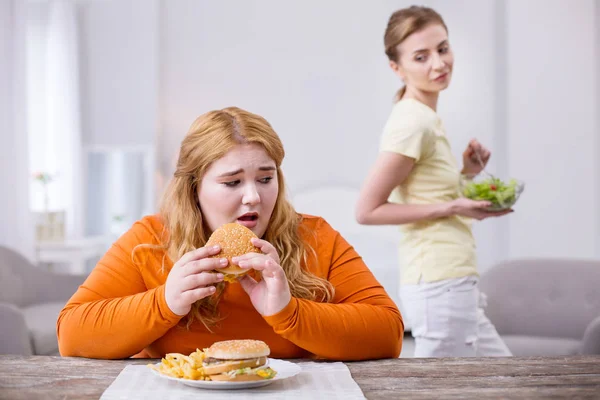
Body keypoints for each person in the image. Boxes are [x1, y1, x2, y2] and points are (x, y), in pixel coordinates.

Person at [57, 107, 404, 360]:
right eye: (232, 182)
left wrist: (288, 312)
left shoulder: (314, 236)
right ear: (194, 188)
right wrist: (165, 302)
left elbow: (388, 333)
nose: (253, 196)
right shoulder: (150, 239)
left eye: (266, 179)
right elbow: (71, 335)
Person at [355, 6, 512, 358]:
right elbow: (366, 210)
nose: (438, 64)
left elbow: (428, 194)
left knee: (508, 379)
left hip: (454, 280)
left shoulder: (425, 117)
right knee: (442, 389)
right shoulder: (413, 122)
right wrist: (453, 206)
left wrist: (466, 175)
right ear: (397, 68)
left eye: (443, 49)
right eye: (421, 57)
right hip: (439, 283)